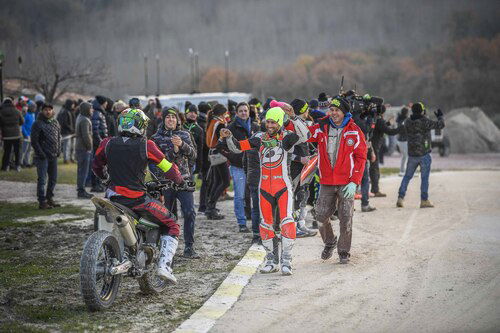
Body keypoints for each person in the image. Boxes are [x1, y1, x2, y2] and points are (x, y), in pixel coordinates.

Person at [92, 108, 183, 283]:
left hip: (113, 197)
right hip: (138, 200)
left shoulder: (107, 143)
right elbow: (168, 167)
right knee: (172, 224)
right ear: (140, 126)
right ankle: (164, 266)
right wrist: (178, 180)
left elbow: (96, 165)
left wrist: (105, 178)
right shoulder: (146, 145)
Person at [221, 101, 309, 275]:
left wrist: (292, 116)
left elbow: (305, 135)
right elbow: (238, 148)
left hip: (283, 186)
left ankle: (286, 261)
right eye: (268, 121)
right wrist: (229, 136)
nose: (269, 125)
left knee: (287, 222)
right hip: (264, 189)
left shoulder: (287, 137)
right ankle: (271, 260)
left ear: (280, 122)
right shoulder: (259, 137)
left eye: (273, 122)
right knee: (266, 225)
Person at [308, 96, 367, 264]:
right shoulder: (321, 128)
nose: (333, 113)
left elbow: (361, 158)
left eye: (337, 110)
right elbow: (304, 134)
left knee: (346, 218)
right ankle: (330, 242)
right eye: (331, 110)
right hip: (326, 181)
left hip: (346, 182)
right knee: (320, 216)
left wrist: (354, 181)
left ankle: (343, 251)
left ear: (344, 112)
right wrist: (291, 119)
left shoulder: (354, 130)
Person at [151, 107, 199, 258]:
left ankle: (189, 248)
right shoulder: (155, 138)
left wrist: (183, 146)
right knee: (169, 216)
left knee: (190, 212)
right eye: (168, 117)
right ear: (163, 119)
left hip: (184, 179)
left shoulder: (185, 134)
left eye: (174, 117)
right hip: (165, 182)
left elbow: (194, 155)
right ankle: (167, 249)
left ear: (178, 119)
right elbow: (157, 163)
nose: (171, 120)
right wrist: (175, 151)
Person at [217, 102, 259, 233]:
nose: (243, 113)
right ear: (236, 112)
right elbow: (220, 146)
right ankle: (241, 223)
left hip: (253, 166)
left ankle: (255, 221)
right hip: (238, 166)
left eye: (245, 110)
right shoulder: (231, 127)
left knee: (255, 195)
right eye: (241, 111)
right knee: (239, 196)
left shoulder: (255, 126)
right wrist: (232, 157)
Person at [397, 103, 444, 208]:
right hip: (424, 154)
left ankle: (400, 197)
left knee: (407, 176)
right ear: (422, 111)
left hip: (412, 154)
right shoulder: (425, 121)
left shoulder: (408, 121)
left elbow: (403, 129)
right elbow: (440, 125)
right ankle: (424, 200)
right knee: (424, 178)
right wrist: (440, 117)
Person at [289, 99, 317, 237]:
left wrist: (312, 154)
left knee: (304, 195)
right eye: (306, 109)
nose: (308, 111)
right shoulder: (291, 126)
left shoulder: (301, 123)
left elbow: (306, 143)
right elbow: (285, 150)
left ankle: (301, 224)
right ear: (301, 110)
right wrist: (299, 158)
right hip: (294, 168)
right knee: (294, 197)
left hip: (305, 168)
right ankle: (293, 227)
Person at [31, 103, 62, 209]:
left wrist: (59, 150)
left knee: (53, 179)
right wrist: (41, 154)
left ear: (52, 111)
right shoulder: (37, 123)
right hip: (42, 157)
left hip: (53, 155)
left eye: (50, 109)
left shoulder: (55, 122)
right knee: (43, 179)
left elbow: (58, 138)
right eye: (45, 110)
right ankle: (42, 201)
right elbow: (34, 141)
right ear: (42, 111)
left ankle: (49, 198)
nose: (48, 111)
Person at [369, 104, 402, 197]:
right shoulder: (380, 120)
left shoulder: (374, 118)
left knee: (371, 168)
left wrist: (387, 124)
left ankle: (372, 189)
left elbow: (379, 128)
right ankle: (375, 190)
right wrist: (401, 127)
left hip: (371, 144)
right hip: (375, 146)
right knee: (374, 168)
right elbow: (390, 132)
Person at [205, 104, 230, 220]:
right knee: (225, 181)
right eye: (226, 113)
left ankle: (210, 207)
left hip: (212, 152)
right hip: (218, 153)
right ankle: (211, 206)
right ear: (222, 113)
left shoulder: (212, 121)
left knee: (217, 181)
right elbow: (223, 140)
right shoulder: (220, 124)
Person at [75, 102, 94, 199]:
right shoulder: (85, 120)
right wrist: (90, 147)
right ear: (87, 109)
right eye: (91, 109)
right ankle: (81, 191)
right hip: (83, 148)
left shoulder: (80, 117)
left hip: (80, 147)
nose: (92, 110)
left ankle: (81, 189)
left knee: (81, 170)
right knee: (83, 170)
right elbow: (86, 135)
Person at [90, 95, 108, 192]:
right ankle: (95, 185)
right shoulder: (97, 113)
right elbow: (95, 130)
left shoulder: (99, 112)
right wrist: (101, 142)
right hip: (98, 144)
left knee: (100, 163)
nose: (106, 105)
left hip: (99, 143)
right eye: (105, 103)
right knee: (97, 163)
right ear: (102, 103)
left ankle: (98, 184)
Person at [0, 98, 24, 172]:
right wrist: (16, 125)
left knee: (7, 151)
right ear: (12, 102)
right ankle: (17, 166)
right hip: (17, 135)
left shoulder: (1, 112)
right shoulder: (17, 111)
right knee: (18, 151)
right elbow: (22, 121)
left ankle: (6, 167)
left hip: (6, 135)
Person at [196, 101, 210, 213]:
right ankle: (203, 205)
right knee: (207, 181)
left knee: (206, 181)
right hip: (206, 157)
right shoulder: (204, 124)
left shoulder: (198, 122)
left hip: (203, 157)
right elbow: (206, 143)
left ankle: (204, 204)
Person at [183, 104, 204, 176]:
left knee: (190, 184)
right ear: (186, 113)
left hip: (192, 161)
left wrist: (199, 165)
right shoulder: (180, 127)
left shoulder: (199, 129)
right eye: (191, 112)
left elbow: (200, 148)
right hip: (179, 159)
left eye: (195, 113)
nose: (193, 114)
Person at [57, 99, 76, 164]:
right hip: (66, 132)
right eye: (72, 104)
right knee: (66, 146)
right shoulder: (65, 112)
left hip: (71, 132)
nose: (73, 105)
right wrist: (71, 129)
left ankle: (71, 158)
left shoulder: (71, 111)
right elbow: (65, 123)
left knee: (71, 146)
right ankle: (66, 159)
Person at [21, 101, 36, 167]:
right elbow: (22, 126)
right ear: (30, 108)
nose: (35, 109)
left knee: (29, 150)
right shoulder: (26, 115)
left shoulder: (33, 115)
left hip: (32, 135)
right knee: (24, 150)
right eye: (33, 108)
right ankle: (20, 162)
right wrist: (26, 134)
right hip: (26, 136)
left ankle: (27, 162)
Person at [396, 106, 410, 176]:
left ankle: (404, 170)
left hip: (402, 140)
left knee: (405, 156)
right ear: (406, 113)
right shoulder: (403, 120)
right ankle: (402, 170)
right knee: (406, 155)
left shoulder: (400, 119)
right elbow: (404, 129)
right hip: (403, 140)